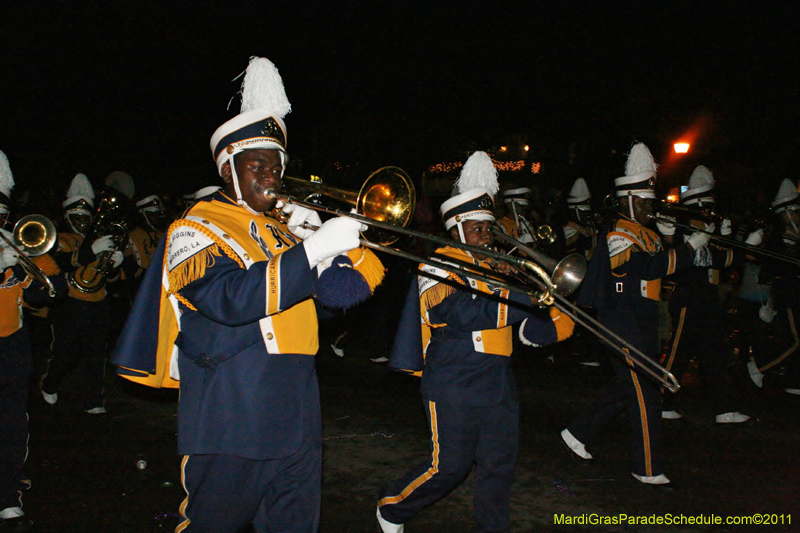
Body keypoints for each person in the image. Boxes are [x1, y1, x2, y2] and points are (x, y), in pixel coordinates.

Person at [111, 56, 375, 533]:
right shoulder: (195, 226)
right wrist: (311, 251)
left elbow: (337, 302)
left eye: (277, 167)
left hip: (299, 409)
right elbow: (228, 300)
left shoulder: (285, 230)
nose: (271, 177)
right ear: (229, 171)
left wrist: (330, 254)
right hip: (232, 409)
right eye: (258, 166)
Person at [376, 151, 575, 533]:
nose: (487, 234)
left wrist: (555, 312)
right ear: (456, 231)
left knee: (499, 468)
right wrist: (525, 296)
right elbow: (463, 314)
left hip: (499, 383)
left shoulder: (498, 269)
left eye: (489, 226)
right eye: (477, 227)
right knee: (449, 467)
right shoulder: (439, 264)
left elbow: (528, 333)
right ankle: (392, 507)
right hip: (455, 380)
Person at [561, 143, 710, 488]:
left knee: (624, 386)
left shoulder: (646, 232)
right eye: (642, 202)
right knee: (645, 391)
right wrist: (688, 247)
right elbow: (645, 268)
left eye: (649, 201)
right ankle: (646, 466)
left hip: (642, 318)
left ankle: (576, 432)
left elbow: (665, 268)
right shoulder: (619, 232)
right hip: (622, 318)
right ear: (627, 201)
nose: (648, 208)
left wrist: (671, 239)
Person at [0, 150, 62, 531]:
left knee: (11, 426)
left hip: (11, 348)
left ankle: (7, 495)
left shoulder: (14, 245)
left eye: (2, 212)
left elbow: (46, 295)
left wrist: (24, 263)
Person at [659, 165, 751, 423]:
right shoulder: (683, 228)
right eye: (706, 206)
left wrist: (730, 239)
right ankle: (659, 400)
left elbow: (725, 263)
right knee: (677, 354)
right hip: (688, 297)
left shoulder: (708, 227)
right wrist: (739, 248)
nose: (710, 211)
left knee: (714, 354)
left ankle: (725, 408)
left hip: (707, 297)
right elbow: (708, 259)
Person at [40, 173, 126, 414]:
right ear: (68, 218)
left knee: (96, 353)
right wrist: (90, 251)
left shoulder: (101, 240)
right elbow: (57, 264)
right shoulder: (59, 239)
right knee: (65, 352)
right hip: (70, 303)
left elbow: (110, 279)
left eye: (86, 218)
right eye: (76, 218)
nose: (82, 222)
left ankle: (93, 400)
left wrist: (115, 264)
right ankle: (49, 383)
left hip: (98, 302)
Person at [747, 179, 800, 394]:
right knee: (795, 340)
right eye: (794, 211)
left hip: (794, 291)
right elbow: (771, 263)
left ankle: (794, 380)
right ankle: (760, 366)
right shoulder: (778, 237)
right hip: (788, 292)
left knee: (792, 338)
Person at [563, 177, 598, 260]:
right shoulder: (569, 229)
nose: (586, 215)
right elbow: (568, 251)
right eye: (583, 213)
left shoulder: (589, 225)